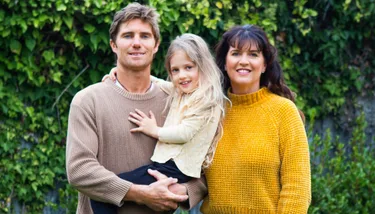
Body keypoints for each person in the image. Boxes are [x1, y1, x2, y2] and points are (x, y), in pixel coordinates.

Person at [65, 3, 207, 214]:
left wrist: (182, 190)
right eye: (128, 36)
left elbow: (203, 166)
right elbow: (79, 170)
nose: (137, 43)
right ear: (114, 44)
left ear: (156, 45)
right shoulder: (88, 101)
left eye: (145, 36)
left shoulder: (179, 100)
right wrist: (142, 194)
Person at [91, 33, 226, 214]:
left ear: (203, 67)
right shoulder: (183, 91)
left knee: (105, 194)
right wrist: (119, 73)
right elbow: (159, 82)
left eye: (188, 67)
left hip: (174, 168)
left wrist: (154, 130)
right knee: (116, 196)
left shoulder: (206, 100)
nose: (182, 76)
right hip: (165, 166)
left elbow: (185, 133)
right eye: (175, 70)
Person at [200, 25, 311, 213]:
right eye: (235, 53)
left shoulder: (283, 112)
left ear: (264, 64)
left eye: (253, 54)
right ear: (225, 63)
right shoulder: (210, 111)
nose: (244, 61)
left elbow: (297, 189)